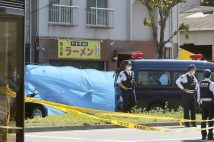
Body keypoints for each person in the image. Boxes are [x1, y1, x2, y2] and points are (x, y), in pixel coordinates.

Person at [198, 69, 214, 141]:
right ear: (210, 75)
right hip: (210, 103)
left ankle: (203, 136)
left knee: (203, 120)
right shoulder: (211, 83)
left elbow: (198, 94)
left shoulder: (200, 83)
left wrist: (199, 103)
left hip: (203, 103)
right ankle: (210, 136)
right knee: (210, 120)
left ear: (204, 75)